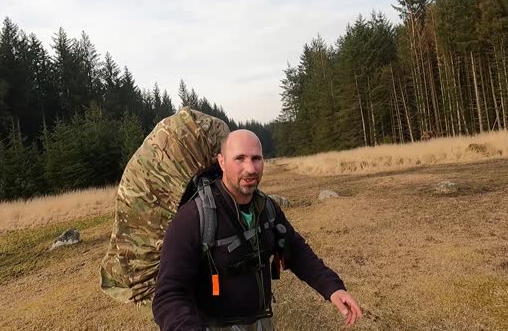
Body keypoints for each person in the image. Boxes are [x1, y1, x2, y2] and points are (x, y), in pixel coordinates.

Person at [153, 129, 362, 330]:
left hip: (261, 322)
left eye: (256, 158)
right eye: (240, 158)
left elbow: (296, 251)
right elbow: (168, 295)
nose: (251, 169)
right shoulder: (193, 217)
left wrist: (332, 288)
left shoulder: (267, 208)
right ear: (222, 162)